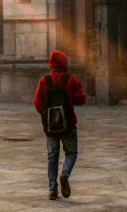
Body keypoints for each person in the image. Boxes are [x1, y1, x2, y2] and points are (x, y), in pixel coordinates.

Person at [33, 50, 86, 200]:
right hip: (68, 124)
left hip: (51, 126)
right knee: (71, 153)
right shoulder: (71, 79)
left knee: (52, 157)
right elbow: (81, 99)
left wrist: (47, 116)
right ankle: (65, 173)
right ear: (64, 63)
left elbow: (38, 103)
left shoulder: (44, 80)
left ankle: (52, 190)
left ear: (51, 63)